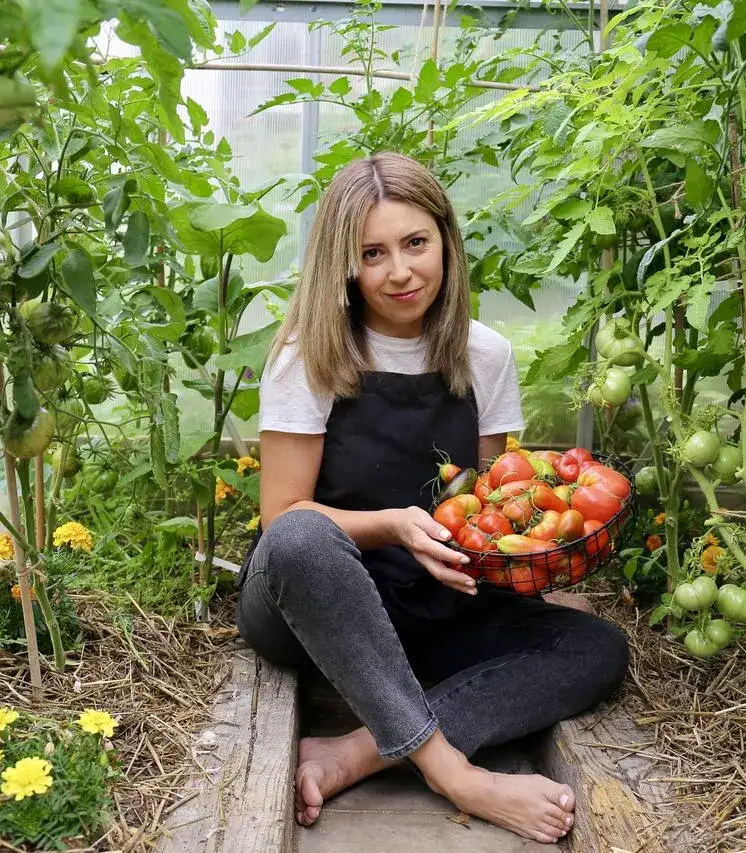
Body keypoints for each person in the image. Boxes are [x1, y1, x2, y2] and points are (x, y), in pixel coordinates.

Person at [236, 152, 629, 845]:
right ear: (344, 264)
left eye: (416, 243)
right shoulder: (310, 353)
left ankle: (357, 750)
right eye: (372, 253)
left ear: (445, 238)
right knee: (300, 540)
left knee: (595, 648)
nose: (400, 271)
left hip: (433, 602)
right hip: (318, 607)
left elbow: (490, 509)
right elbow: (283, 517)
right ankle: (452, 771)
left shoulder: (486, 355)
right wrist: (391, 525)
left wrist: (538, 549)